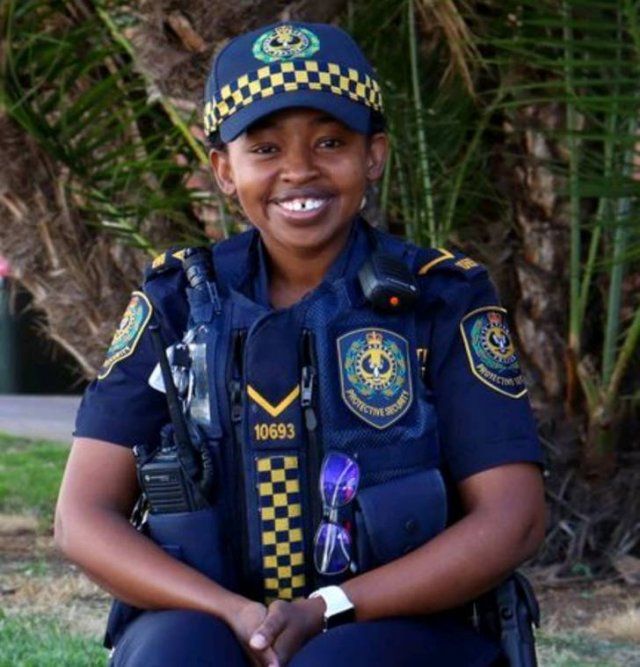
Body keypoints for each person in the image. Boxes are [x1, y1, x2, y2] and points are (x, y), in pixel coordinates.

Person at [55, 20, 546, 667]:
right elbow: (82, 516)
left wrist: (329, 608)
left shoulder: (442, 299)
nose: (299, 170)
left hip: (403, 626)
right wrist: (233, 613)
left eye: (330, 142)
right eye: (265, 148)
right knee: (174, 654)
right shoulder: (177, 301)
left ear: (374, 155)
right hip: (212, 615)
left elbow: (514, 517)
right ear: (223, 169)